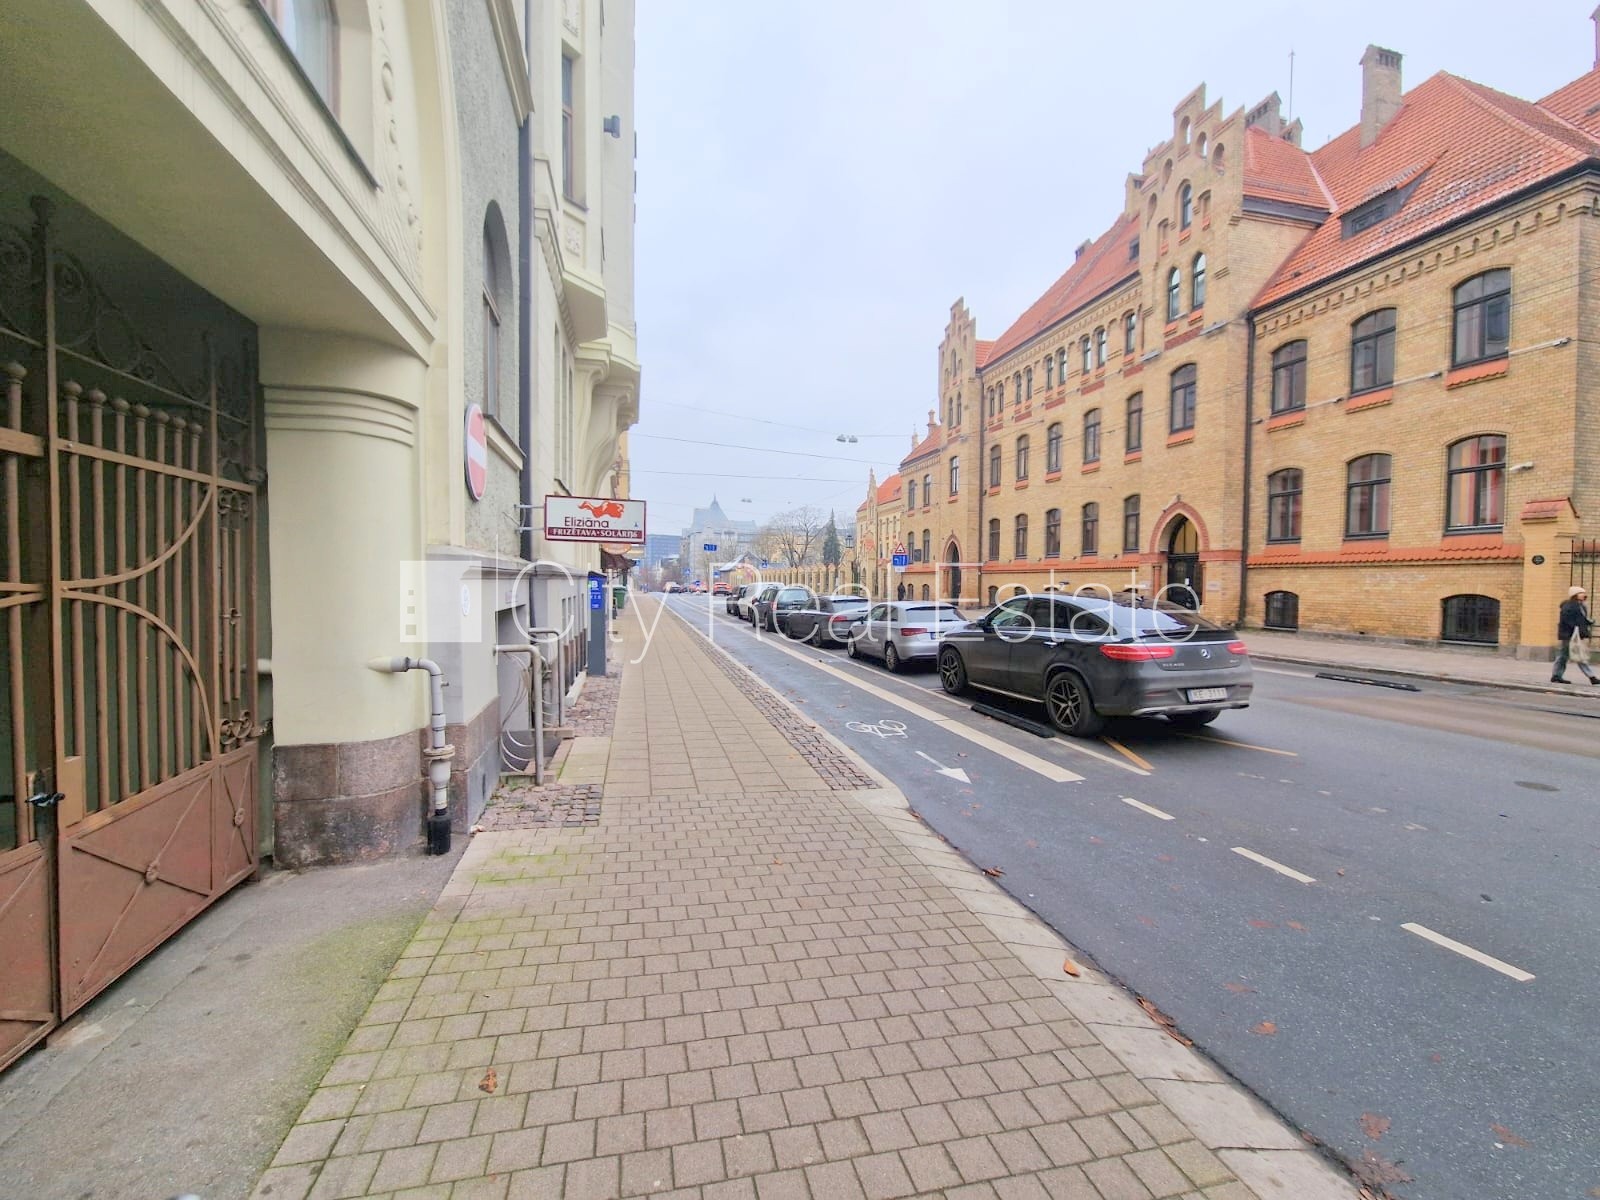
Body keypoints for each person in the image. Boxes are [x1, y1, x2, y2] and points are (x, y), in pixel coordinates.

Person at [1551, 585, 1597, 684]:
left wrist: (1588, 622)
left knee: (1564, 656)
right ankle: (1591, 677)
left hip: (1575, 634)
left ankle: (1556, 675)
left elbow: (1581, 619)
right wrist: (1575, 627)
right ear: (1575, 595)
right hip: (1569, 635)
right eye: (1581, 593)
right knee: (1575, 655)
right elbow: (1567, 620)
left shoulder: (1581, 606)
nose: (1584, 595)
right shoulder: (1568, 606)